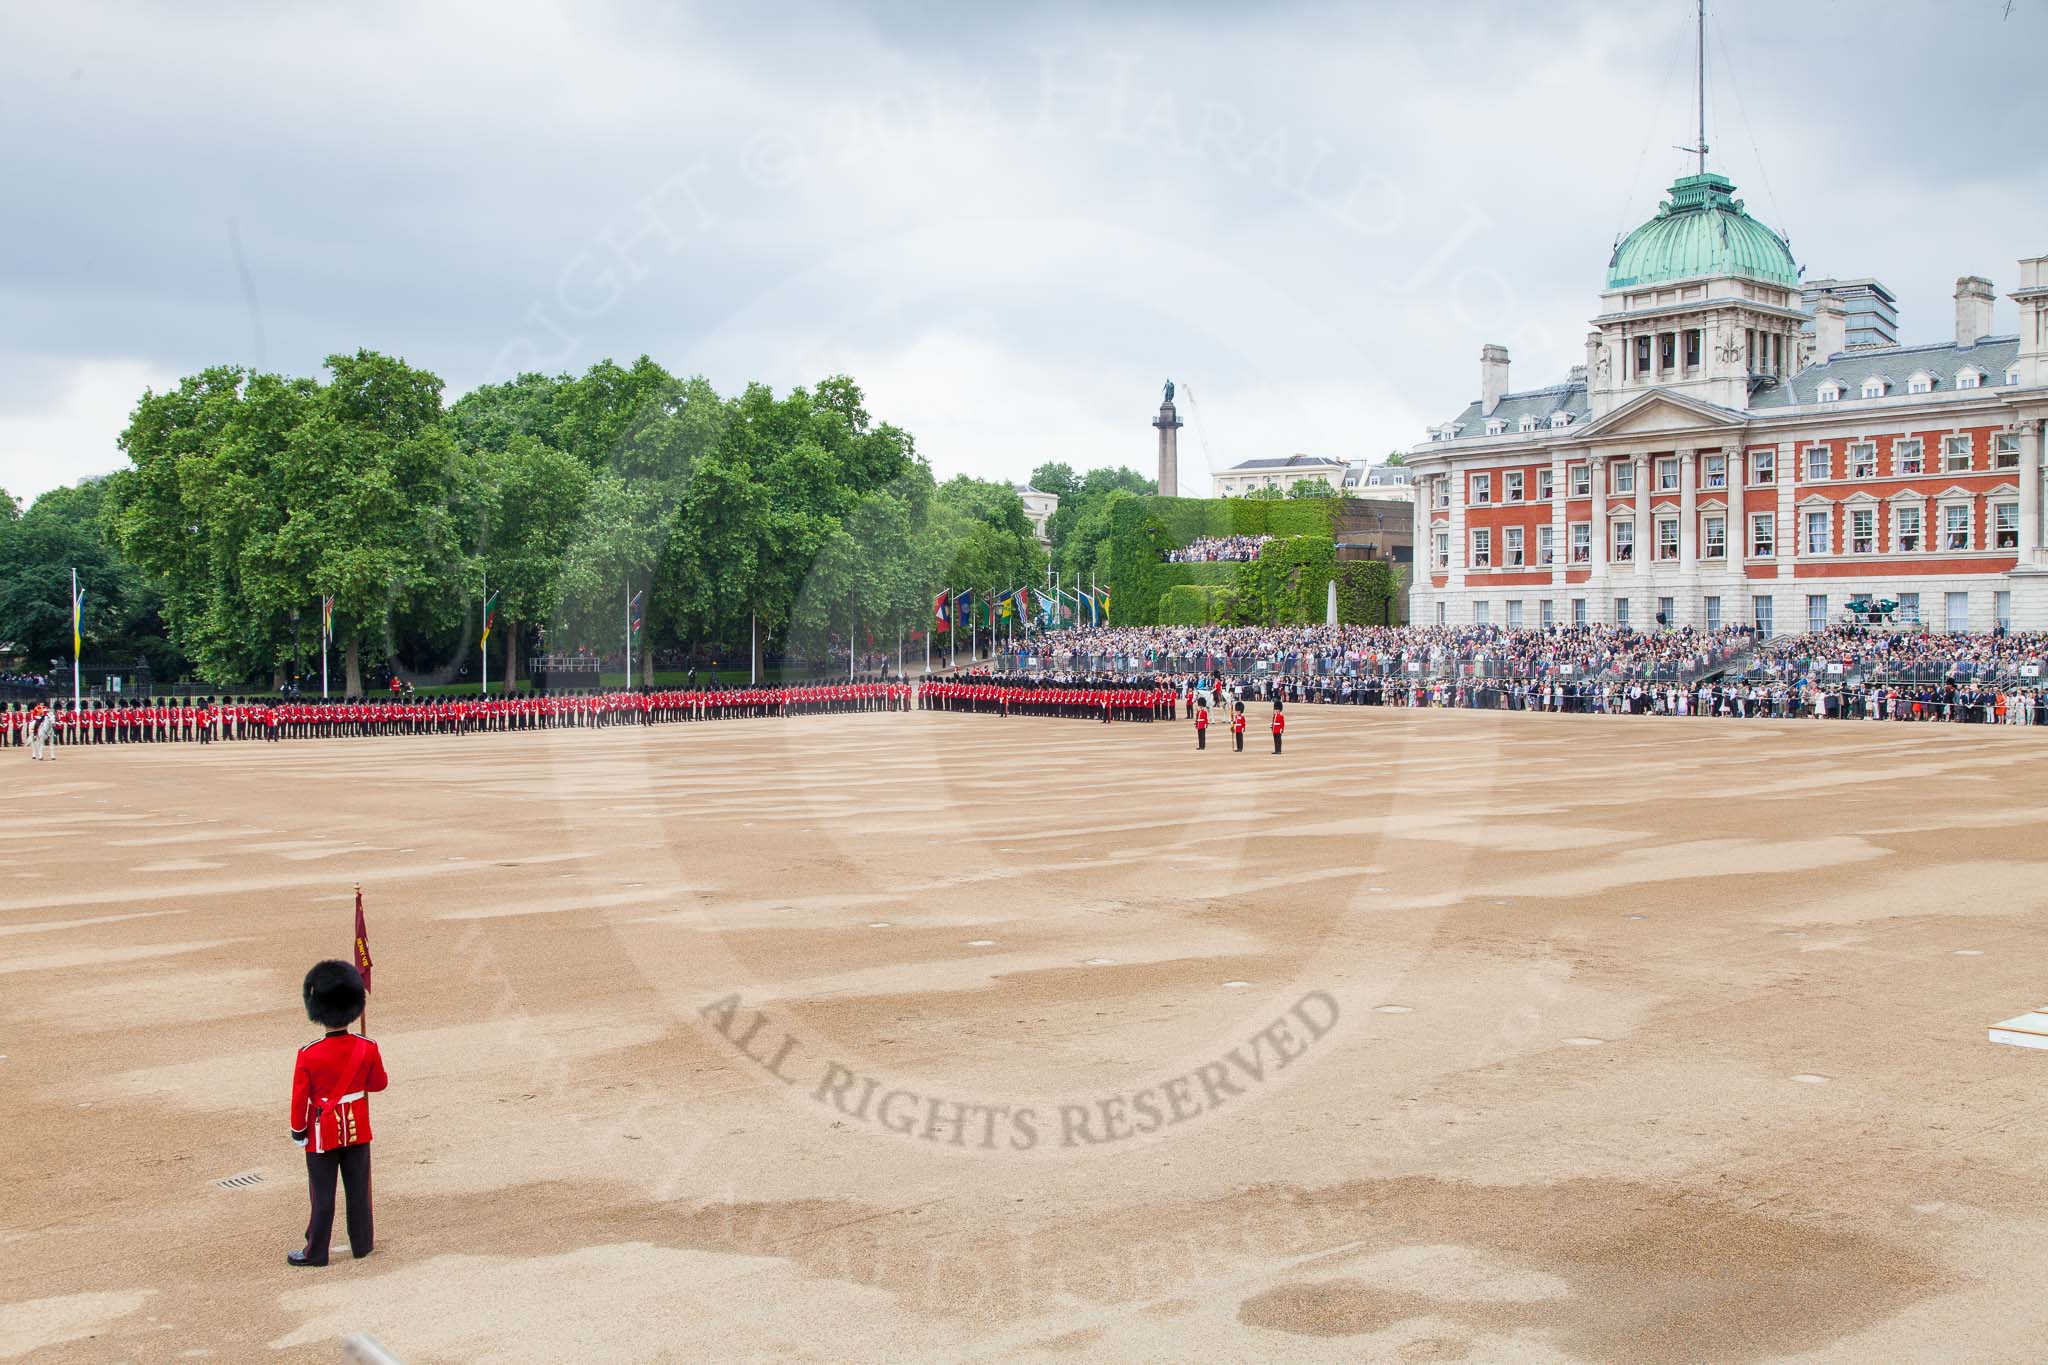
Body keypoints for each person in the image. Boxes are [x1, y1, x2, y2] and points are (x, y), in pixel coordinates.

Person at [288, 960, 387, 1267]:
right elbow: (379, 1084)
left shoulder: (309, 1054)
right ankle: (362, 1243)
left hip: (323, 1133)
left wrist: (298, 1130)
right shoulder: (366, 1047)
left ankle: (316, 1252)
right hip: (358, 1128)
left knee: (322, 1196)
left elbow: (300, 1099)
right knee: (358, 1189)